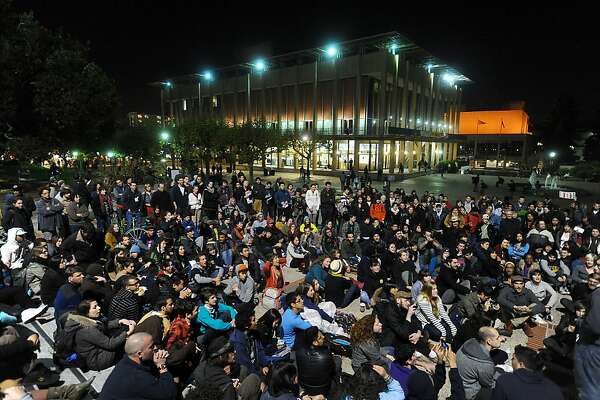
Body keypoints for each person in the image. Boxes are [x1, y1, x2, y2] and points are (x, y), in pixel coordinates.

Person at [99, 332, 177, 400]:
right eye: (152, 347)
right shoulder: (136, 376)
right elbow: (169, 394)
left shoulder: (127, 360)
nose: (156, 348)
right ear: (139, 354)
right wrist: (161, 366)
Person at [64, 299, 135, 371]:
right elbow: (110, 344)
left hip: (93, 352)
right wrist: (127, 333)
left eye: (97, 305)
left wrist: (119, 322)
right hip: (96, 360)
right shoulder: (88, 329)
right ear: (87, 312)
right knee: (124, 345)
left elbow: (102, 325)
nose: (99, 307)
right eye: (95, 307)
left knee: (120, 335)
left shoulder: (83, 320)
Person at [191, 335, 261, 400]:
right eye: (231, 351)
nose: (235, 352)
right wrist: (234, 390)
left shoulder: (202, 366)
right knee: (253, 379)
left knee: (243, 368)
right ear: (221, 357)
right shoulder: (226, 384)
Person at [492, 345, 563, 400]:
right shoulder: (555, 388)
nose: (511, 361)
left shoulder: (506, 380)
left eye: (513, 359)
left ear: (521, 364)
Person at [456, 327, 503, 400]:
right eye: (497, 338)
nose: (500, 339)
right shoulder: (485, 364)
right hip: (470, 392)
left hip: (461, 380)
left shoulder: (469, 342)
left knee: (502, 358)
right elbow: (488, 384)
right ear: (489, 341)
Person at [295, 326, 337, 397]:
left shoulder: (299, 351)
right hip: (322, 388)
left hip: (304, 384)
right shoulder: (326, 355)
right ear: (314, 342)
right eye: (320, 337)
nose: (323, 337)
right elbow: (332, 371)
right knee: (338, 362)